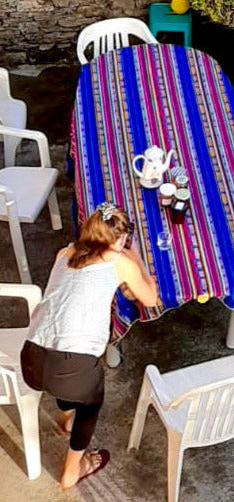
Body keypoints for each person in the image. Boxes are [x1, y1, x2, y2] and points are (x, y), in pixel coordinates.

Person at [20, 202, 158, 489]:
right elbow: (149, 298)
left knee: (68, 368)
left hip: (31, 359)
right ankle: (73, 469)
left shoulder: (65, 253)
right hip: (71, 369)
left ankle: (67, 416)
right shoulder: (120, 262)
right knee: (91, 398)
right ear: (119, 240)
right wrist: (137, 262)